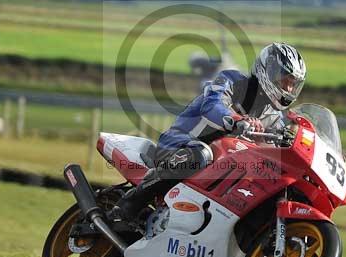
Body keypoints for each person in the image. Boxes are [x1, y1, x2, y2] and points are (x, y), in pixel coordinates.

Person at [112, 42, 307, 221]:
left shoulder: (273, 117)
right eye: (285, 80)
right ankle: (129, 203)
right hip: (179, 144)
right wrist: (237, 120)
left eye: (293, 83)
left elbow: (283, 147)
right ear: (270, 71)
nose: (288, 88)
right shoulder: (234, 81)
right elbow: (212, 105)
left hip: (221, 166)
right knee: (201, 155)